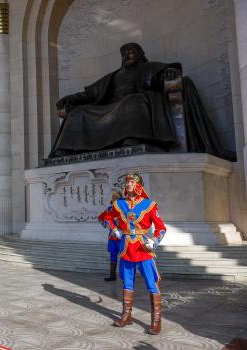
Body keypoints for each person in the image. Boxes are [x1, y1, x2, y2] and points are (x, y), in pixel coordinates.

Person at [50, 42, 233, 160]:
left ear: (140, 54)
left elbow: (165, 75)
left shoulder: (149, 67)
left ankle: (132, 139)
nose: (127, 55)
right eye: (124, 53)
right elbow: (89, 95)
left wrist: (170, 73)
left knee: (133, 101)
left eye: (131, 51)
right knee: (78, 112)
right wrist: (70, 99)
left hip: (136, 103)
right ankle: (66, 150)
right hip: (108, 109)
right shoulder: (113, 76)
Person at [103, 173, 167, 335]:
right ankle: (127, 315)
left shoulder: (149, 204)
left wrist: (154, 241)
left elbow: (161, 228)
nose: (128, 184)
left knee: (152, 283)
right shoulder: (119, 204)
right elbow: (107, 218)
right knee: (127, 283)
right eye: (127, 182)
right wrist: (115, 229)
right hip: (125, 248)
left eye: (131, 181)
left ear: (139, 185)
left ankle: (156, 320)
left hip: (143, 248)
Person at [98, 191, 123, 281]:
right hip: (112, 237)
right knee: (113, 255)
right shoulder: (109, 209)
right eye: (113, 197)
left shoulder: (124, 208)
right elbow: (100, 218)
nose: (114, 199)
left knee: (124, 256)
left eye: (116, 197)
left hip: (122, 236)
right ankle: (112, 275)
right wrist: (109, 227)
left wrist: (120, 230)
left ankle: (125, 276)